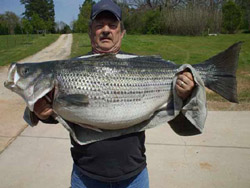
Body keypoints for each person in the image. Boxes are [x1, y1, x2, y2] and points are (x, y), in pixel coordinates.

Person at [27, 0, 196, 187]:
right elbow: (59, 110)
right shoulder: (69, 69)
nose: (106, 30)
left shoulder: (140, 66)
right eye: (99, 25)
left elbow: (172, 110)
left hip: (134, 176)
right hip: (85, 176)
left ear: (121, 33)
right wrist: (43, 115)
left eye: (112, 25)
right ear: (91, 32)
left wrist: (184, 92)